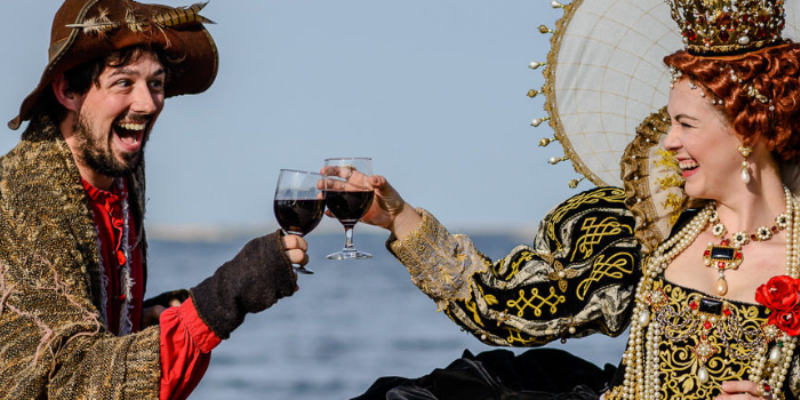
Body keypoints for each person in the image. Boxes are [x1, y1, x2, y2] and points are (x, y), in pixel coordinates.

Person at [351, 0, 800, 399]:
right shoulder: (652, 233)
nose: (668, 141)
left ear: (748, 128)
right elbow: (502, 305)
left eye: (685, 124)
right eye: (669, 123)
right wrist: (397, 217)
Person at [0, 1, 306, 399]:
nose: (147, 103)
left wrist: (147, 319)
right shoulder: (20, 202)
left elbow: (87, 330)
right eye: (124, 83)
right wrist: (225, 296)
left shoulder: (120, 173)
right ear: (67, 91)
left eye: (156, 83)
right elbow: (72, 380)